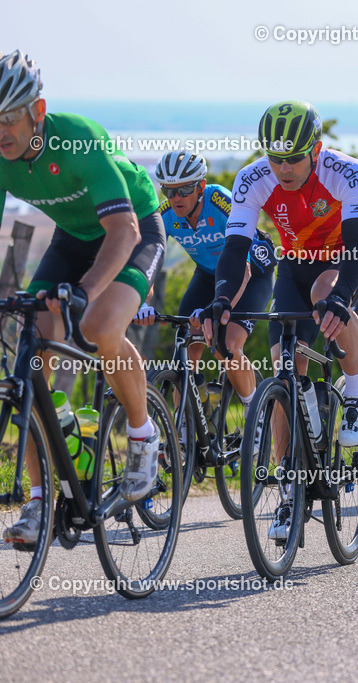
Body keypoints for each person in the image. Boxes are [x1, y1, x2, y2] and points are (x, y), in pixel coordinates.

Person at [1, 51, 167, 544]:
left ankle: (142, 437)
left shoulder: (78, 140)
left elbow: (123, 229)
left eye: (10, 118)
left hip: (133, 231)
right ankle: (37, 500)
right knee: (31, 350)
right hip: (73, 239)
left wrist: (86, 291)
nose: (2, 130)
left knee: (98, 326)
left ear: (39, 110)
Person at [200, 101, 358, 540]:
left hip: (345, 259)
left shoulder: (346, 172)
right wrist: (221, 299)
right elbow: (236, 248)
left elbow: (356, 245)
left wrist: (341, 295)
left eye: (294, 158)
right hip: (294, 267)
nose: (283, 168)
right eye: (275, 158)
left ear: (315, 148)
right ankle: (289, 488)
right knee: (283, 370)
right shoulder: (252, 178)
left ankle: (356, 394)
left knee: (325, 297)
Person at [134, 150, 276, 417]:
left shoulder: (221, 202)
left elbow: (241, 269)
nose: (176, 198)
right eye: (168, 191)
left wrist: (217, 309)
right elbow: (149, 261)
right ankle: (186, 431)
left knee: (228, 344)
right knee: (185, 351)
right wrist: (141, 300)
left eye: (184, 190)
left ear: (200, 186)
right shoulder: (165, 215)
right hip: (208, 274)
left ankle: (254, 415)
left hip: (250, 273)